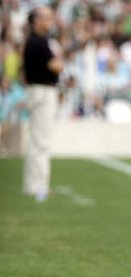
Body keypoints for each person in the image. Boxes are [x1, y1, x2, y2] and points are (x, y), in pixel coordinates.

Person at [22, 6, 63, 201]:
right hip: (42, 91)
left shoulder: (37, 40)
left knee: (36, 141)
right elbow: (55, 65)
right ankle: (39, 186)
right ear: (36, 20)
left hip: (38, 90)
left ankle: (34, 184)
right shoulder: (37, 41)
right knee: (41, 142)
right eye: (46, 18)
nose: (50, 21)